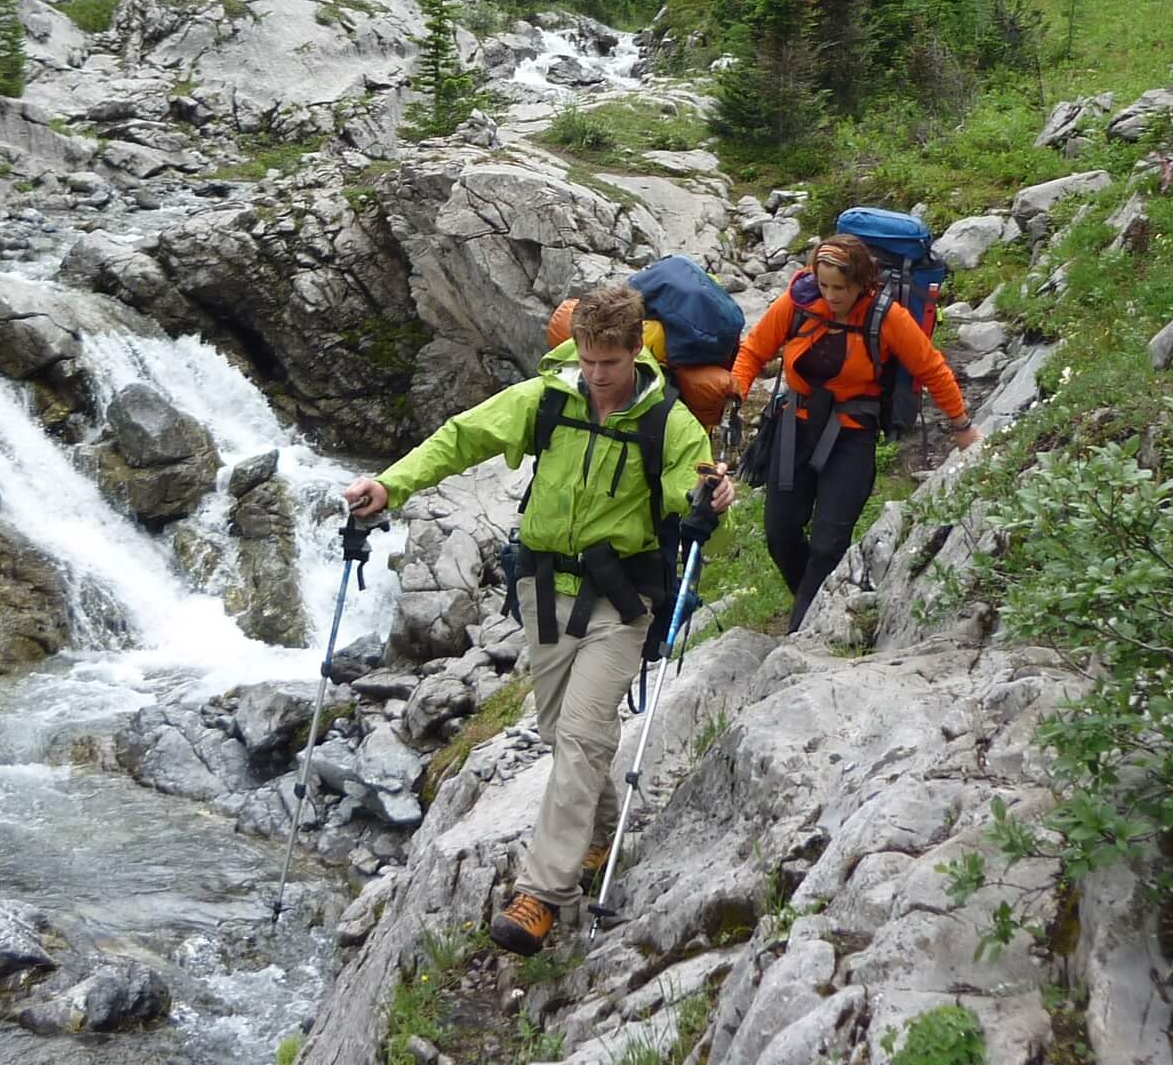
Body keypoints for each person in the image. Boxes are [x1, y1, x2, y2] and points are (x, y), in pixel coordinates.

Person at [340, 284, 735, 956]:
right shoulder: (548, 398)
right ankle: (600, 833)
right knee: (560, 732)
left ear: (636, 351)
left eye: (608, 362)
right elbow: (464, 436)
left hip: (622, 601)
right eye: (586, 359)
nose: (596, 374)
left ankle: (540, 893)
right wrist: (391, 484)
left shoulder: (668, 422)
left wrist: (707, 495)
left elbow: (686, 487)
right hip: (544, 590)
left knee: (581, 735)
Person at [731, 234, 974, 634]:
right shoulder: (797, 302)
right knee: (779, 533)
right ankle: (814, 603)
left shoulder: (886, 317)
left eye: (840, 288)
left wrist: (961, 426)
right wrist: (737, 390)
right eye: (824, 285)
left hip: (851, 435)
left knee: (829, 541)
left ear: (862, 282)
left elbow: (931, 367)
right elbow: (754, 351)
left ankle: (798, 632)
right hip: (796, 425)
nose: (830, 295)